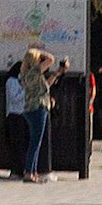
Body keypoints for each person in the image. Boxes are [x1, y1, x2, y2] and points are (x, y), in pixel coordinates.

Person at [20, 44, 60, 180]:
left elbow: (45, 86)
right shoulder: (34, 71)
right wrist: (39, 51)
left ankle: (33, 170)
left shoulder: (26, 73)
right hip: (38, 108)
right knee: (35, 142)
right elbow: (51, 59)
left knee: (35, 141)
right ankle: (28, 172)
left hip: (31, 108)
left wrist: (57, 73)